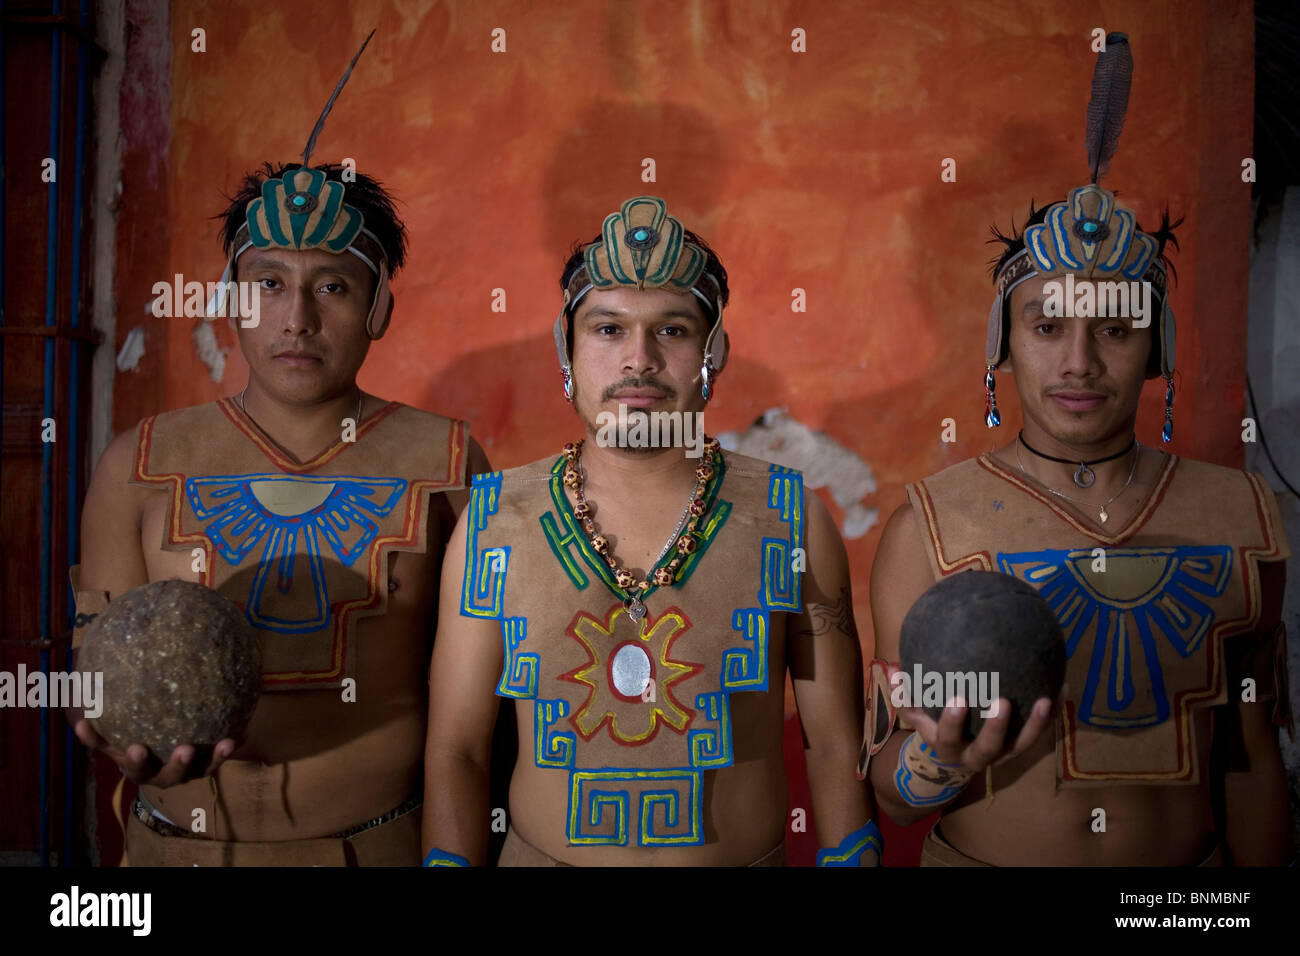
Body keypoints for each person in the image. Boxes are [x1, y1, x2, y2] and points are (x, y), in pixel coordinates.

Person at [863, 35, 1292, 867]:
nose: (1080, 362)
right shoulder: (929, 527)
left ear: (1157, 346)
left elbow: (1251, 756)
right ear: (1005, 343)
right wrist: (936, 758)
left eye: (1116, 329)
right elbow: (889, 794)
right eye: (1048, 325)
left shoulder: (1239, 513)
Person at [66, 37, 489, 865]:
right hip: (166, 856)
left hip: (377, 851)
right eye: (268, 282)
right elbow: (94, 670)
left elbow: (479, 725)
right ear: (231, 298)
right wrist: (108, 724)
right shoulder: (139, 463)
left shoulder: (449, 465)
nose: (296, 317)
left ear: (379, 309)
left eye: (332, 284)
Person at [422, 196, 879, 866]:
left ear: (712, 353)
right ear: (567, 353)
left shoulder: (791, 519)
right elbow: (458, 749)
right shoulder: (495, 522)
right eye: (607, 330)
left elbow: (835, 744)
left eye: (672, 330)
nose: (638, 360)